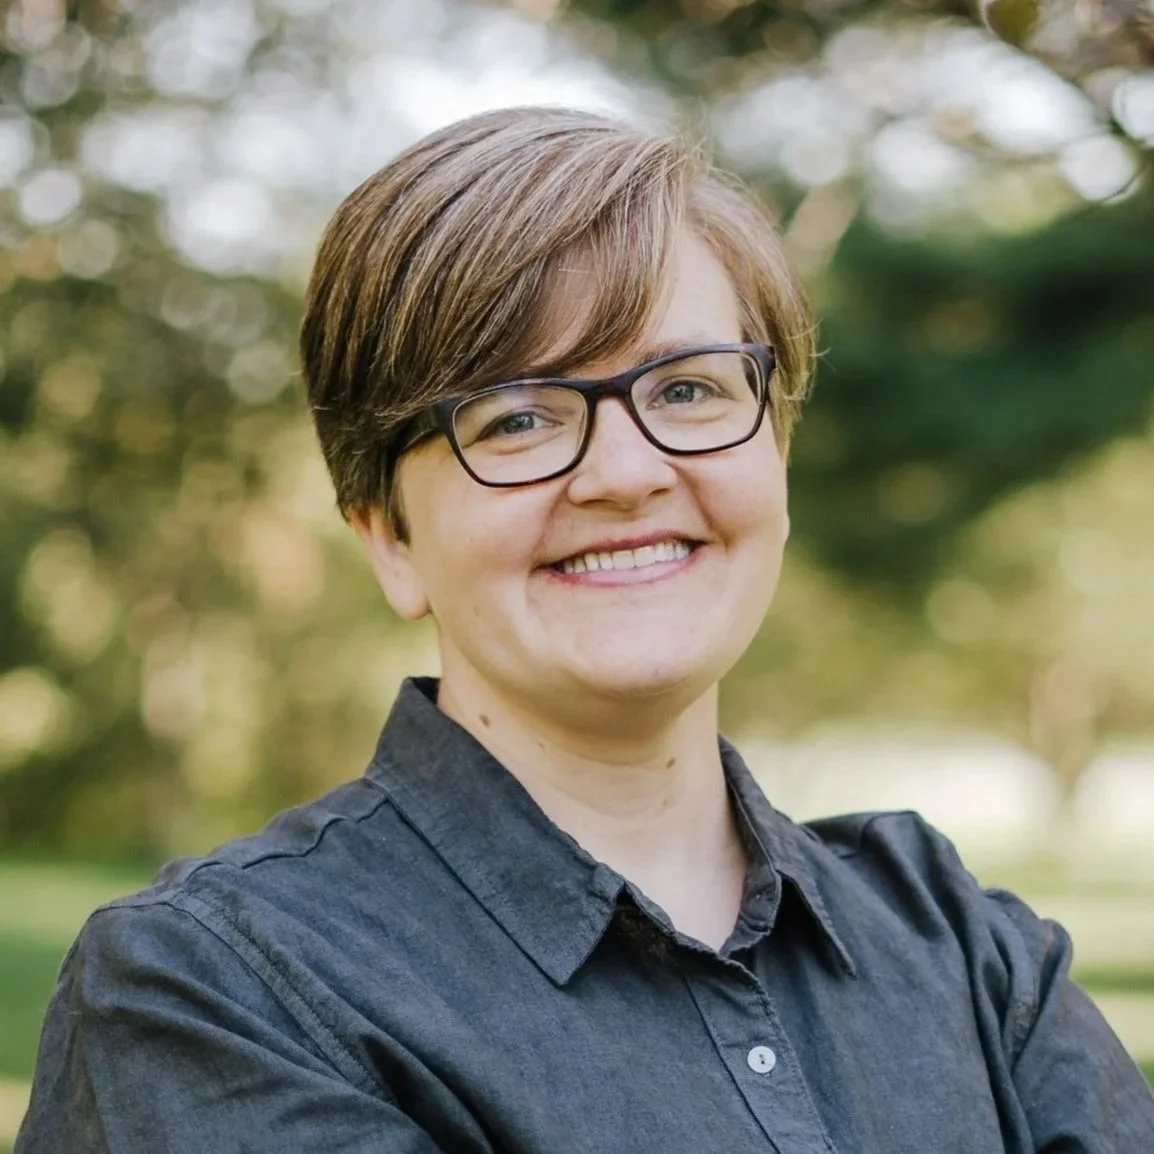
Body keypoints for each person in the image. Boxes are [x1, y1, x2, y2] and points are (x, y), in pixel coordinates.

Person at [16, 106, 1154, 1153]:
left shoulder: (963, 946)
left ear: (775, 460)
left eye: (689, 389)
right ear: (389, 538)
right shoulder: (213, 989)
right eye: (516, 417)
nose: (625, 472)